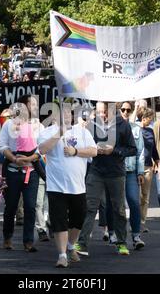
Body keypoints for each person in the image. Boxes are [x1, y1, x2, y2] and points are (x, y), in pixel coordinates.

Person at [75, 101, 136, 256]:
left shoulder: (123, 125)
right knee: (89, 207)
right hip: (96, 171)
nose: (102, 115)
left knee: (119, 209)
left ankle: (121, 243)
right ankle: (81, 243)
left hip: (116, 173)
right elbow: (83, 145)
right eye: (100, 112)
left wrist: (113, 151)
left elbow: (132, 149)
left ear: (113, 110)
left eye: (105, 112)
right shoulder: (92, 125)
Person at [38, 106, 97, 267]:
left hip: (77, 186)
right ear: (54, 117)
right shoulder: (47, 132)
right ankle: (62, 255)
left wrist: (75, 151)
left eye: (69, 113)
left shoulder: (83, 132)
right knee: (59, 221)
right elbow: (42, 149)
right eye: (62, 113)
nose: (67, 116)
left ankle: (71, 246)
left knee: (78, 219)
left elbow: (94, 151)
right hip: (56, 186)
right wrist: (59, 134)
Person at [0, 94, 44, 252]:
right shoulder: (9, 124)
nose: (35, 107)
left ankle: (28, 241)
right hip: (13, 172)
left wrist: (31, 157)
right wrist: (14, 159)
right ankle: (7, 237)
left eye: (36, 104)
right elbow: (2, 146)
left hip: (31, 173)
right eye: (32, 104)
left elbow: (41, 147)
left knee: (31, 207)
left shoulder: (38, 126)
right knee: (11, 206)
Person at [119, 102, 146, 249]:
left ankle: (136, 236)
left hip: (130, 171)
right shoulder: (113, 128)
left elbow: (140, 152)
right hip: (116, 171)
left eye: (128, 110)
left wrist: (140, 171)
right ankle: (117, 235)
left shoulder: (136, 129)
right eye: (123, 109)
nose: (125, 112)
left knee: (134, 203)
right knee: (118, 205)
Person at [137, 108, 160, 233]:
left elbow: (154, 149)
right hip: (136, 167)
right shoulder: (135, 129)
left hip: (148, 167)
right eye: (150, 118)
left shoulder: (150, 131)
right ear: (143, 118)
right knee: (136, 196)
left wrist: (158, 165)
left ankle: (142, 222)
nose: (151, 120)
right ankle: (134, 222)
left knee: (145, 197)